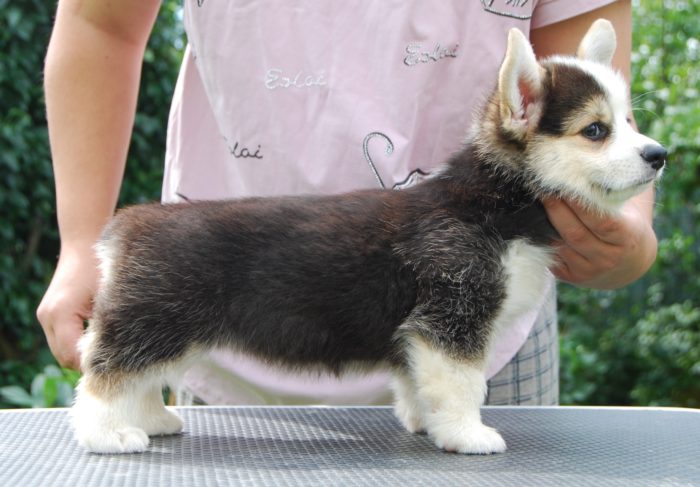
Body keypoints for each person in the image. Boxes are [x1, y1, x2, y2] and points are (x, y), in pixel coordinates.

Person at [38, 0, 657, 406]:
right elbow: (101, 24)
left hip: (493, 343)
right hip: (225, 306)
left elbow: (588, 89)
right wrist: (77, 243)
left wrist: (627, 229)